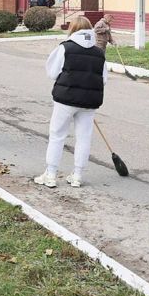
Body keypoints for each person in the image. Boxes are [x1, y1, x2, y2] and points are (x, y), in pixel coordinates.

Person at [34, 15, 107, 189]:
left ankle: (51, 174)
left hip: (66, 99)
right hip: (89, 102)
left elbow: (52, 72)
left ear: (72, 29)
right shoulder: (98, 52)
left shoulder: (65, 48)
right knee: (84, 138)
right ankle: (77, 176)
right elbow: (103, 79)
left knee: (57, 135)